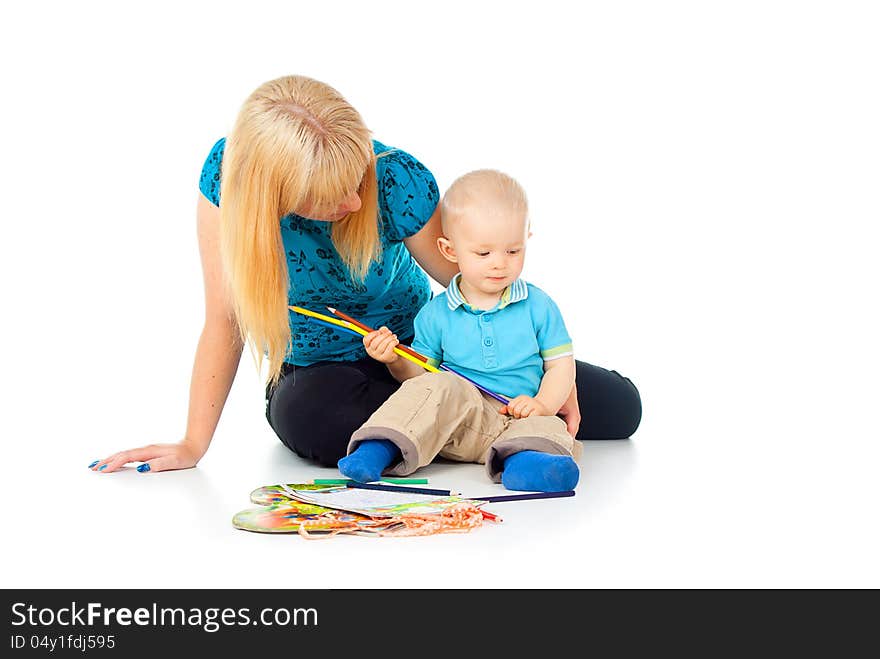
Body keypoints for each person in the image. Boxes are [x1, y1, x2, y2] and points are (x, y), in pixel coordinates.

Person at [89, 75, 641, 475]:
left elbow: (478, 287)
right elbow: (224, 320)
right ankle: (496, 435)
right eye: (332, 198)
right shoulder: (227, 182)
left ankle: (453, 426)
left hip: (424, 357)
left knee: (620, 409)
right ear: (277, 197)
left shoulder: (394, 178)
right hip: (319, 370)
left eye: (357, 178)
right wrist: (192, 444)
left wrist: (552, 374)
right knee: (314, 419)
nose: (356, 200)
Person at [339, 170, 583, 491]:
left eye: (513, 251)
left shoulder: (539, 305)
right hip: (458, 424)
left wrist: (543, 404)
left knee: (550, 427)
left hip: (521, 417)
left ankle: (525, 463)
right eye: (484, 253)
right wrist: (393, 360)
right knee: (436, 388)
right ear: (449, 250)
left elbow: (561, 366)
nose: (500, 263)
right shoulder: (436, 313)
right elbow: (420, 374)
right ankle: (380, 448)